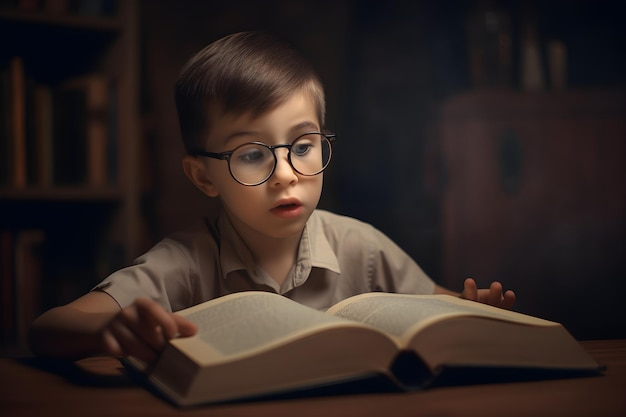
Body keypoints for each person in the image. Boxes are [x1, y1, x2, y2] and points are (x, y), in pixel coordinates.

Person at [29, 31, 515, 367]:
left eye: (303, 146)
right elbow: (49, 328)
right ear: (202, 176)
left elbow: (443, 309)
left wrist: (476, 309)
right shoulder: (182, 264)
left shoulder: (361, 247)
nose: (286, 175)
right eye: (251, 154)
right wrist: (106, 331)